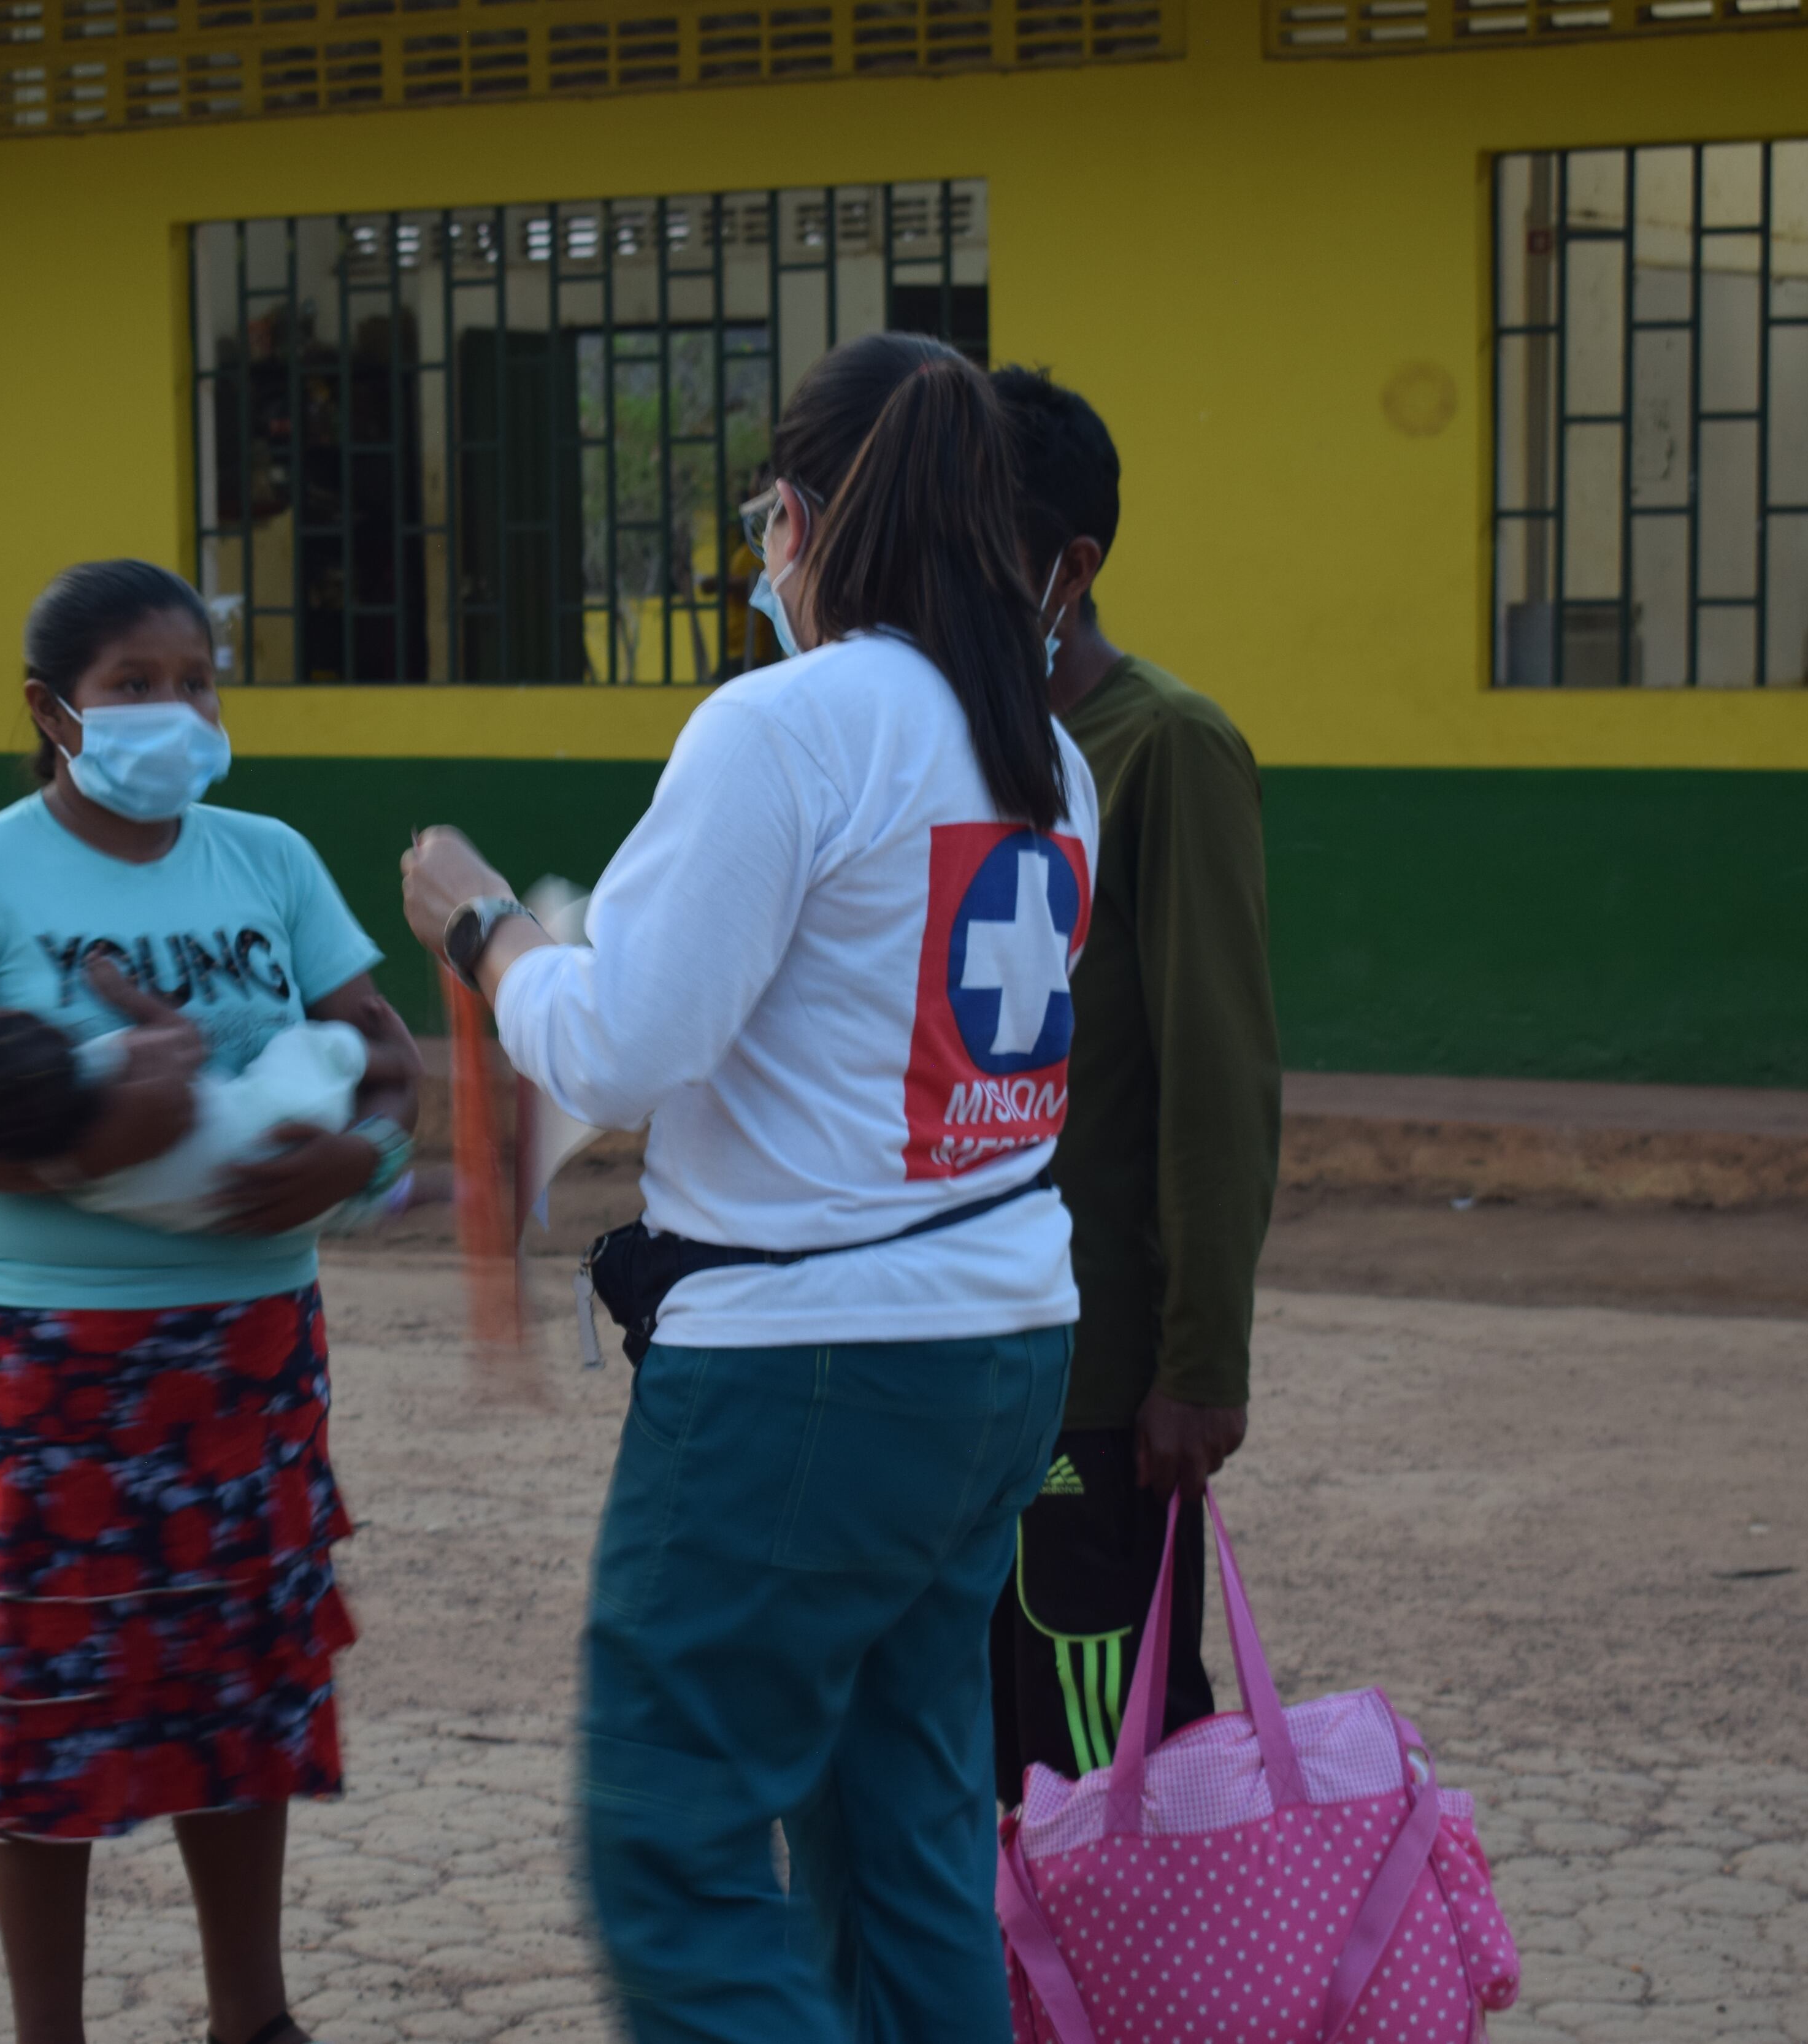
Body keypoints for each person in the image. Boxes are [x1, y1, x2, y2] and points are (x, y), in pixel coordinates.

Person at [400, 331, 1098, 2044]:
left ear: (794, 516)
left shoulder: (785, 726)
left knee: (676, 1841)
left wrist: (492, 934)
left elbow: (626, 1044)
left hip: (810, 1367)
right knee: (904, 1831)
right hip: (997, 1339)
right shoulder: (1041, 749)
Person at [0, 558, 422, 2044]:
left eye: (196, 682)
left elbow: (385, 1056)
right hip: (57, 1350)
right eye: (134, 686)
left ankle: (253, 2017)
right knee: (52, 1690)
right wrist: (88, 1143)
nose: (173, 712)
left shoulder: (266, 859)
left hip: (252, 1344)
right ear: (55, 709)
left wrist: (356, 1164)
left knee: (240, 1683)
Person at [982, 366, 1282, 1805]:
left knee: (1106, 1773)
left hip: (1099, 1385)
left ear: (1066, 568)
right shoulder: (951, 752)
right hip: (961, 1361)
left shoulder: (1163, 747)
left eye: (962, 549)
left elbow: (1215, 1075)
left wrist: (1196, 1363)